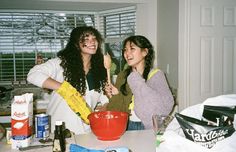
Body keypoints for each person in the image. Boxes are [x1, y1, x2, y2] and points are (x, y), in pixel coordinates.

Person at [27, 26, 108, 134]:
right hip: (59, 130)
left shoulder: (99, 70)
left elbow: (105, 98)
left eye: (94, 39)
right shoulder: (61, 63)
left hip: (86, 131)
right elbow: (33, 75)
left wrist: (105, 108)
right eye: (86, 39)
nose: (92, 42)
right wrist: (64, 88)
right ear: (76, 44)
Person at [105, 35, 174, 130]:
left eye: (132, 49)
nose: (127, 53)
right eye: (125, 50)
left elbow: (165, 106)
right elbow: (117, 109)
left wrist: (135, 79)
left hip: (148, 127)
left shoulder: (156, 75)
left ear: (145, 52)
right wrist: (114, 95)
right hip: (126, 124)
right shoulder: (122, 76)